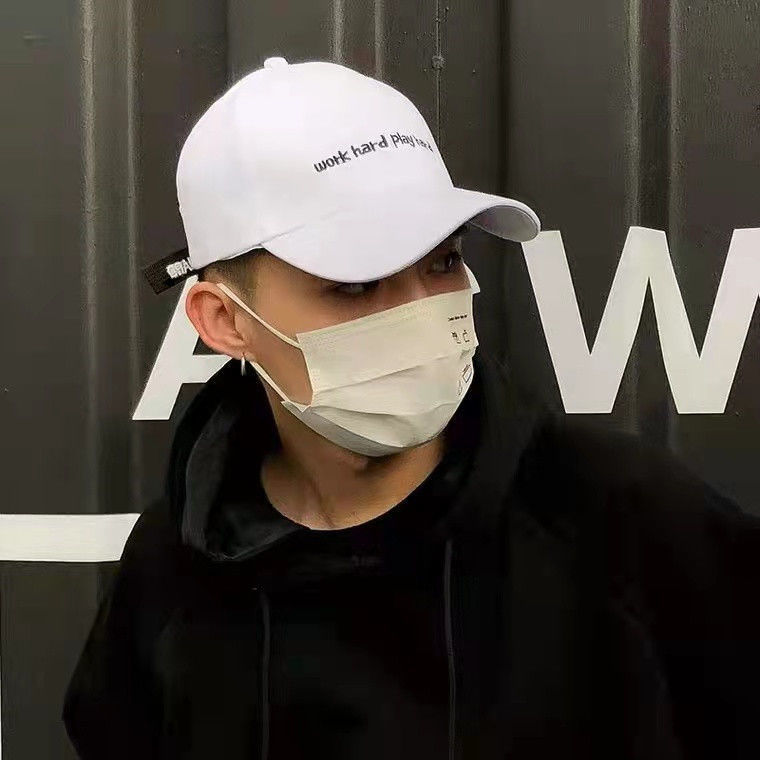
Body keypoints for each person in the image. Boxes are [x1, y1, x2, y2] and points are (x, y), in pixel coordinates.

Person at [62, 57, 760, 760]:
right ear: (224, 320)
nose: (421, 311)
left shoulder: (624, 521)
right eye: (356, 285)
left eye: (442, 262)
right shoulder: (169, 573)